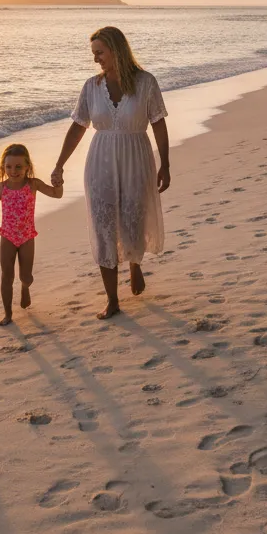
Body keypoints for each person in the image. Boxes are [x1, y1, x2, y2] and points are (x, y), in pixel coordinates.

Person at [51, 27, 171, 320]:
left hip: (136, 159)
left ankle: (134, 265)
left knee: (132, 219)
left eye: (100, 53)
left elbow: (158, 123)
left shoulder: (146, 83)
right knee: (104, 226)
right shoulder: (91, 87)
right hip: (100, 161)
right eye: (93, 54)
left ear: (117, 51)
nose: (96, 60)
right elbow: (78, 126)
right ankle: (112, 300)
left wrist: (165, 163)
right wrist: (59, 164)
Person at [0, 143, 63, 326]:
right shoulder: (1, 188)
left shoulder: (33, 184)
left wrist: (58, 183)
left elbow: (56, 195)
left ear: (27, 166)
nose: (13, 171)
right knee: (6, 275)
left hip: (27, 236)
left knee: (26, 276)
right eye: (9, 167)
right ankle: (7, 314)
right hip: (7, 236)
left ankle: (25, 287)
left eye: (18, 167)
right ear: (3, 168)